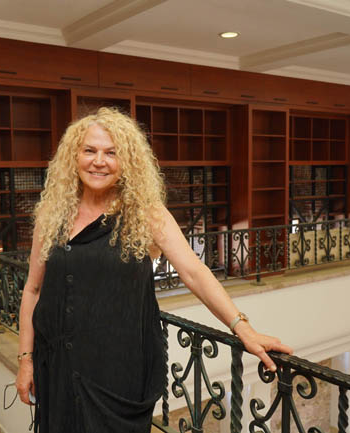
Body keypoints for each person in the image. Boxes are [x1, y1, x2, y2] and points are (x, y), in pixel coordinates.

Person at [15, 107, 292, 433]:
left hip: (117, 375)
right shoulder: (52, 213)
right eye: (89, 150)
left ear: (127, 161)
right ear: (73, 156)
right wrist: (26, 360)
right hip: (58, 366)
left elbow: (194, 272)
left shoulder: (145, 212)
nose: (99, 161)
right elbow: (33, 290)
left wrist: (243, 329)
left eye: (111, 153)